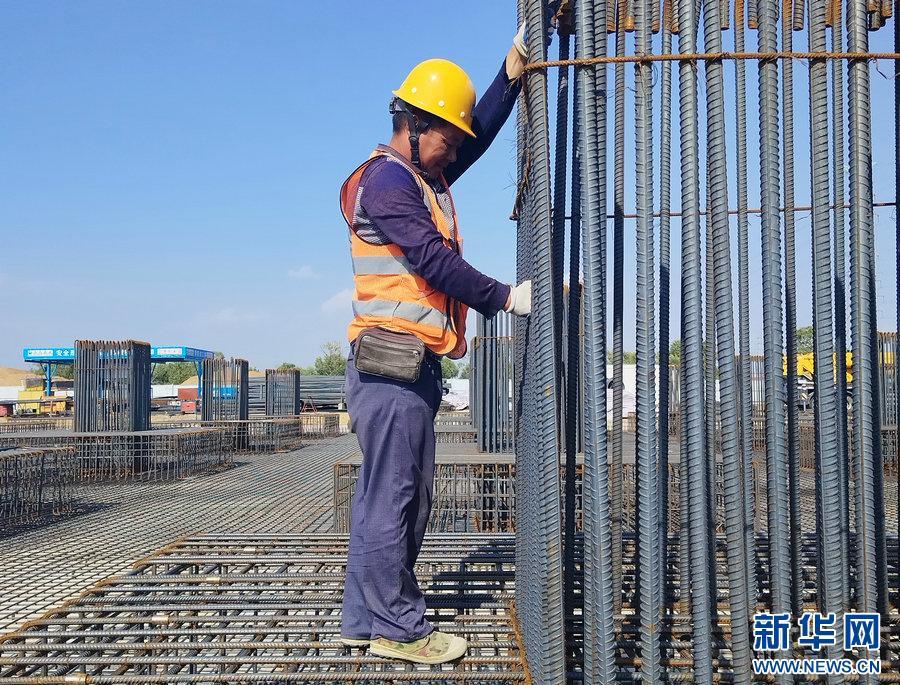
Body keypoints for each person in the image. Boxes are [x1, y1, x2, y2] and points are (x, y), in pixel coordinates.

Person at [337, 23, 542, 666]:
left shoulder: (423, 173)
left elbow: (472, 132)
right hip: (390, 366)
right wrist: (503, 298)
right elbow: (428, 259)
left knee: (391, 495)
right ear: (416, 128)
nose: (455, 153)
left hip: (408, 368)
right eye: (446, 142)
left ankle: (363, 619)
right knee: (395, 499)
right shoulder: (387, 184)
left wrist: (508, 76)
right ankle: (398, 629)